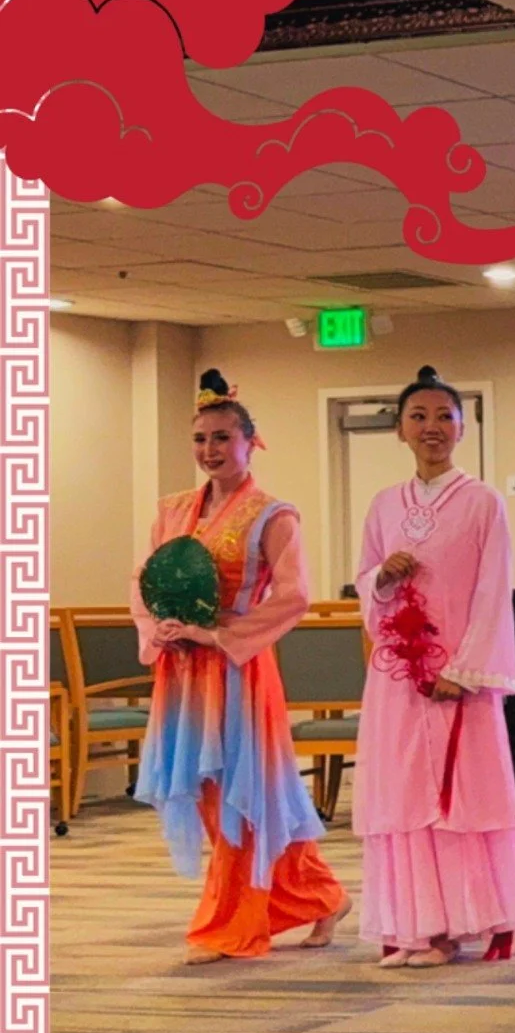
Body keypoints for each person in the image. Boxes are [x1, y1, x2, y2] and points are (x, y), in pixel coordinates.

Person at [132, 368, 351, 965]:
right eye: (202, 439)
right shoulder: (172, 510)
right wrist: (162, 629)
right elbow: (144, 580)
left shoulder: (273, 514)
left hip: (237, 668)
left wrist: (216, 632)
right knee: (208, 792)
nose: (211, 450)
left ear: (250, 442)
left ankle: (231, 922)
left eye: (223, 438)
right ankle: (320, 894)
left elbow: (293, 594)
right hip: (182, 672)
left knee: (241, 790)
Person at [353, 366, 515, 968]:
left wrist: (465, 668)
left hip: (460, 678)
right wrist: (381, 579)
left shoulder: (483, 502)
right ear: (400, 430)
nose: (432, 428)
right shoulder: (384, 505)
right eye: (419, 417)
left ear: (462, 425)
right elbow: (364, 579)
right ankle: (413, 925)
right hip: (398, 679)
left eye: (443, 416)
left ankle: (455, 924)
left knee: (460, 796)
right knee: (402, 795)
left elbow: (494, 591)